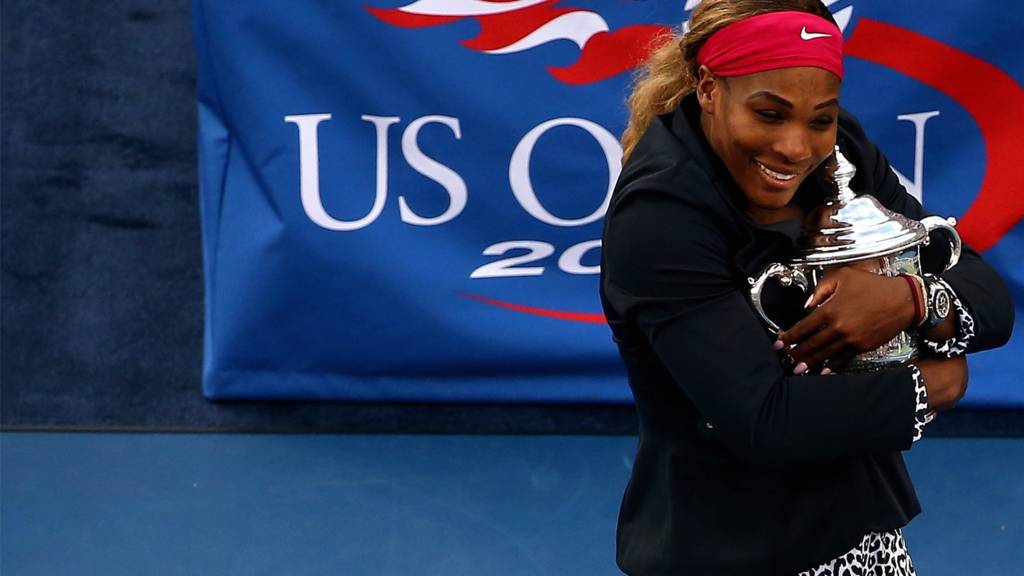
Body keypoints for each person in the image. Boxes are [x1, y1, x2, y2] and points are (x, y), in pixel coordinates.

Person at [599, 1, 1015, 574]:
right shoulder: (660, 215)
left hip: (864, 533)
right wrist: (930, 385)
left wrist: (910, 300)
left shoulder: (840, 152)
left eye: (819, 118)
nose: (796, 147)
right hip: (728, 551)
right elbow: (766, 421)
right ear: (709, 88)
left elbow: (987, 293)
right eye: (769, 114)